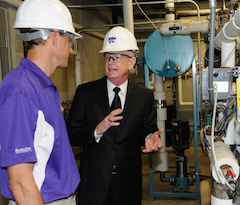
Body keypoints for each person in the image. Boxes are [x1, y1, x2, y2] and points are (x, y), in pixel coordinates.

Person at [67, 26, 163, 205]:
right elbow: (71, 134)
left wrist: (150, 136)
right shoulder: (86, 93)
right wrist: (96, 130)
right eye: (107, 56)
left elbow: (147, 128)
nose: (111, 62)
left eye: (117, 57)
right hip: (94, 184)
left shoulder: (144, 96)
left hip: (128, 183)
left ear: (132, 62)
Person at [0, 0, 82, 204]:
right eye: (69, 39)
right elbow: (19, 181)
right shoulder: (20, 90)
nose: (71, 49)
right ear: (55, 37)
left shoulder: (41, 86)